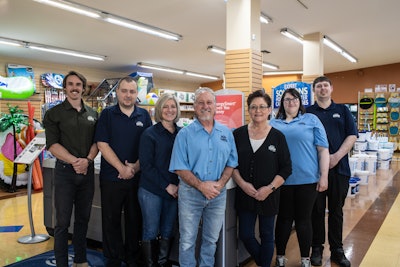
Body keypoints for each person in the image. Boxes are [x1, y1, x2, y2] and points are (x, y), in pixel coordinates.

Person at [169, 87, 238, 267]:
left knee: (211, 240)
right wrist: (201, 186)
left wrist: (220, 184)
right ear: (194, 107)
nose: (205, 106)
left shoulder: (226, 133)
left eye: (209, 102)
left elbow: (232, 162)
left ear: (215, 106)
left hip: (217, 195)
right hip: (190, 194)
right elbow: (179, 167)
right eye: (200, 102)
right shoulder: (184, 134)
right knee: (187, 241)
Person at [95, 76, 152, 267]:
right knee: (110, 220)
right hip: (112, 178)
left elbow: (149, 147)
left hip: (136, 178)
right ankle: (113, 258)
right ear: (118, 93)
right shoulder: (107, 115)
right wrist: (121, 168)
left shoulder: (144, 116)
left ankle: (132, 258)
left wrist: (135, 167)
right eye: (124, 91)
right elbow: (102, 144)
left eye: (132, 91)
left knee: (134, 220)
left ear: (137, 94)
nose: (128, 95)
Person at [43, 71, 98, 267]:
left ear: (83, 88)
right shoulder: (54, 114)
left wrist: (88, 160)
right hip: (65, 173)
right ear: (65, 87)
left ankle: (81, 260)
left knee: (83, 220)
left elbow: (97, 143)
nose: (75, 88)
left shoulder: (93, 114)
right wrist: (76, 161)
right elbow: (52, 145)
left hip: (87, 174)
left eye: (78, 84)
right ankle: (61, 263)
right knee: (62, 223)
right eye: (70, 84)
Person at [270, 88, 330, 267]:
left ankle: (305, 259)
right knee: (284, 219)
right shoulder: (273, 123)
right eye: (287, 99)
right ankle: (280, 257)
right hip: (282, 180)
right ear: (282, 103)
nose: (291, 102)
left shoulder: (311, 120)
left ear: (300, 101)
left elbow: (323, 150)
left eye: (295, 98)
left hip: (307, 180)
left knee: (304, 220)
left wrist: (324, 176)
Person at [232, 90, 292, 267]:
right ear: (248, 110)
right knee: (246, 234)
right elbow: (231, 164)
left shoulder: (278, 137)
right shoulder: (238, 134)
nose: (257, 110)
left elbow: (287, 168)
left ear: (269, 110)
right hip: (245, 194)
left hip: (269, 195)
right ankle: (263, 261)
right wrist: (242, 184)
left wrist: (270, 188)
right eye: (253, 107)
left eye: (262, 107)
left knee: (267, 235)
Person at [307, 76, 358, 267]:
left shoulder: (343, 110)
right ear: (314, 90)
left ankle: (337, 250)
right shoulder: (308, 112)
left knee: (336, 211)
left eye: (325, 86)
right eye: (318, 86)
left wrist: (335, 157)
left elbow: (352, 136)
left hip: (340, 169)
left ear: (331, 89)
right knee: (316, 211)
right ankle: (317, 248)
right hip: (315, 171)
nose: (322, 89)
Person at [138, 93, 181, 267]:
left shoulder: (182, 133)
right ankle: (150, 264)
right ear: (159, 109)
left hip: (175, 190)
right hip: (152, 191)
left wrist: (177, 185)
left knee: (168, 230)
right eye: (166, 106)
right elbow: (146, 166)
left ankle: (162, 263)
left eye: (173, 107)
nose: (170, 110)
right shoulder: (149, 134)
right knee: (151, 230)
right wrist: (167, 186)